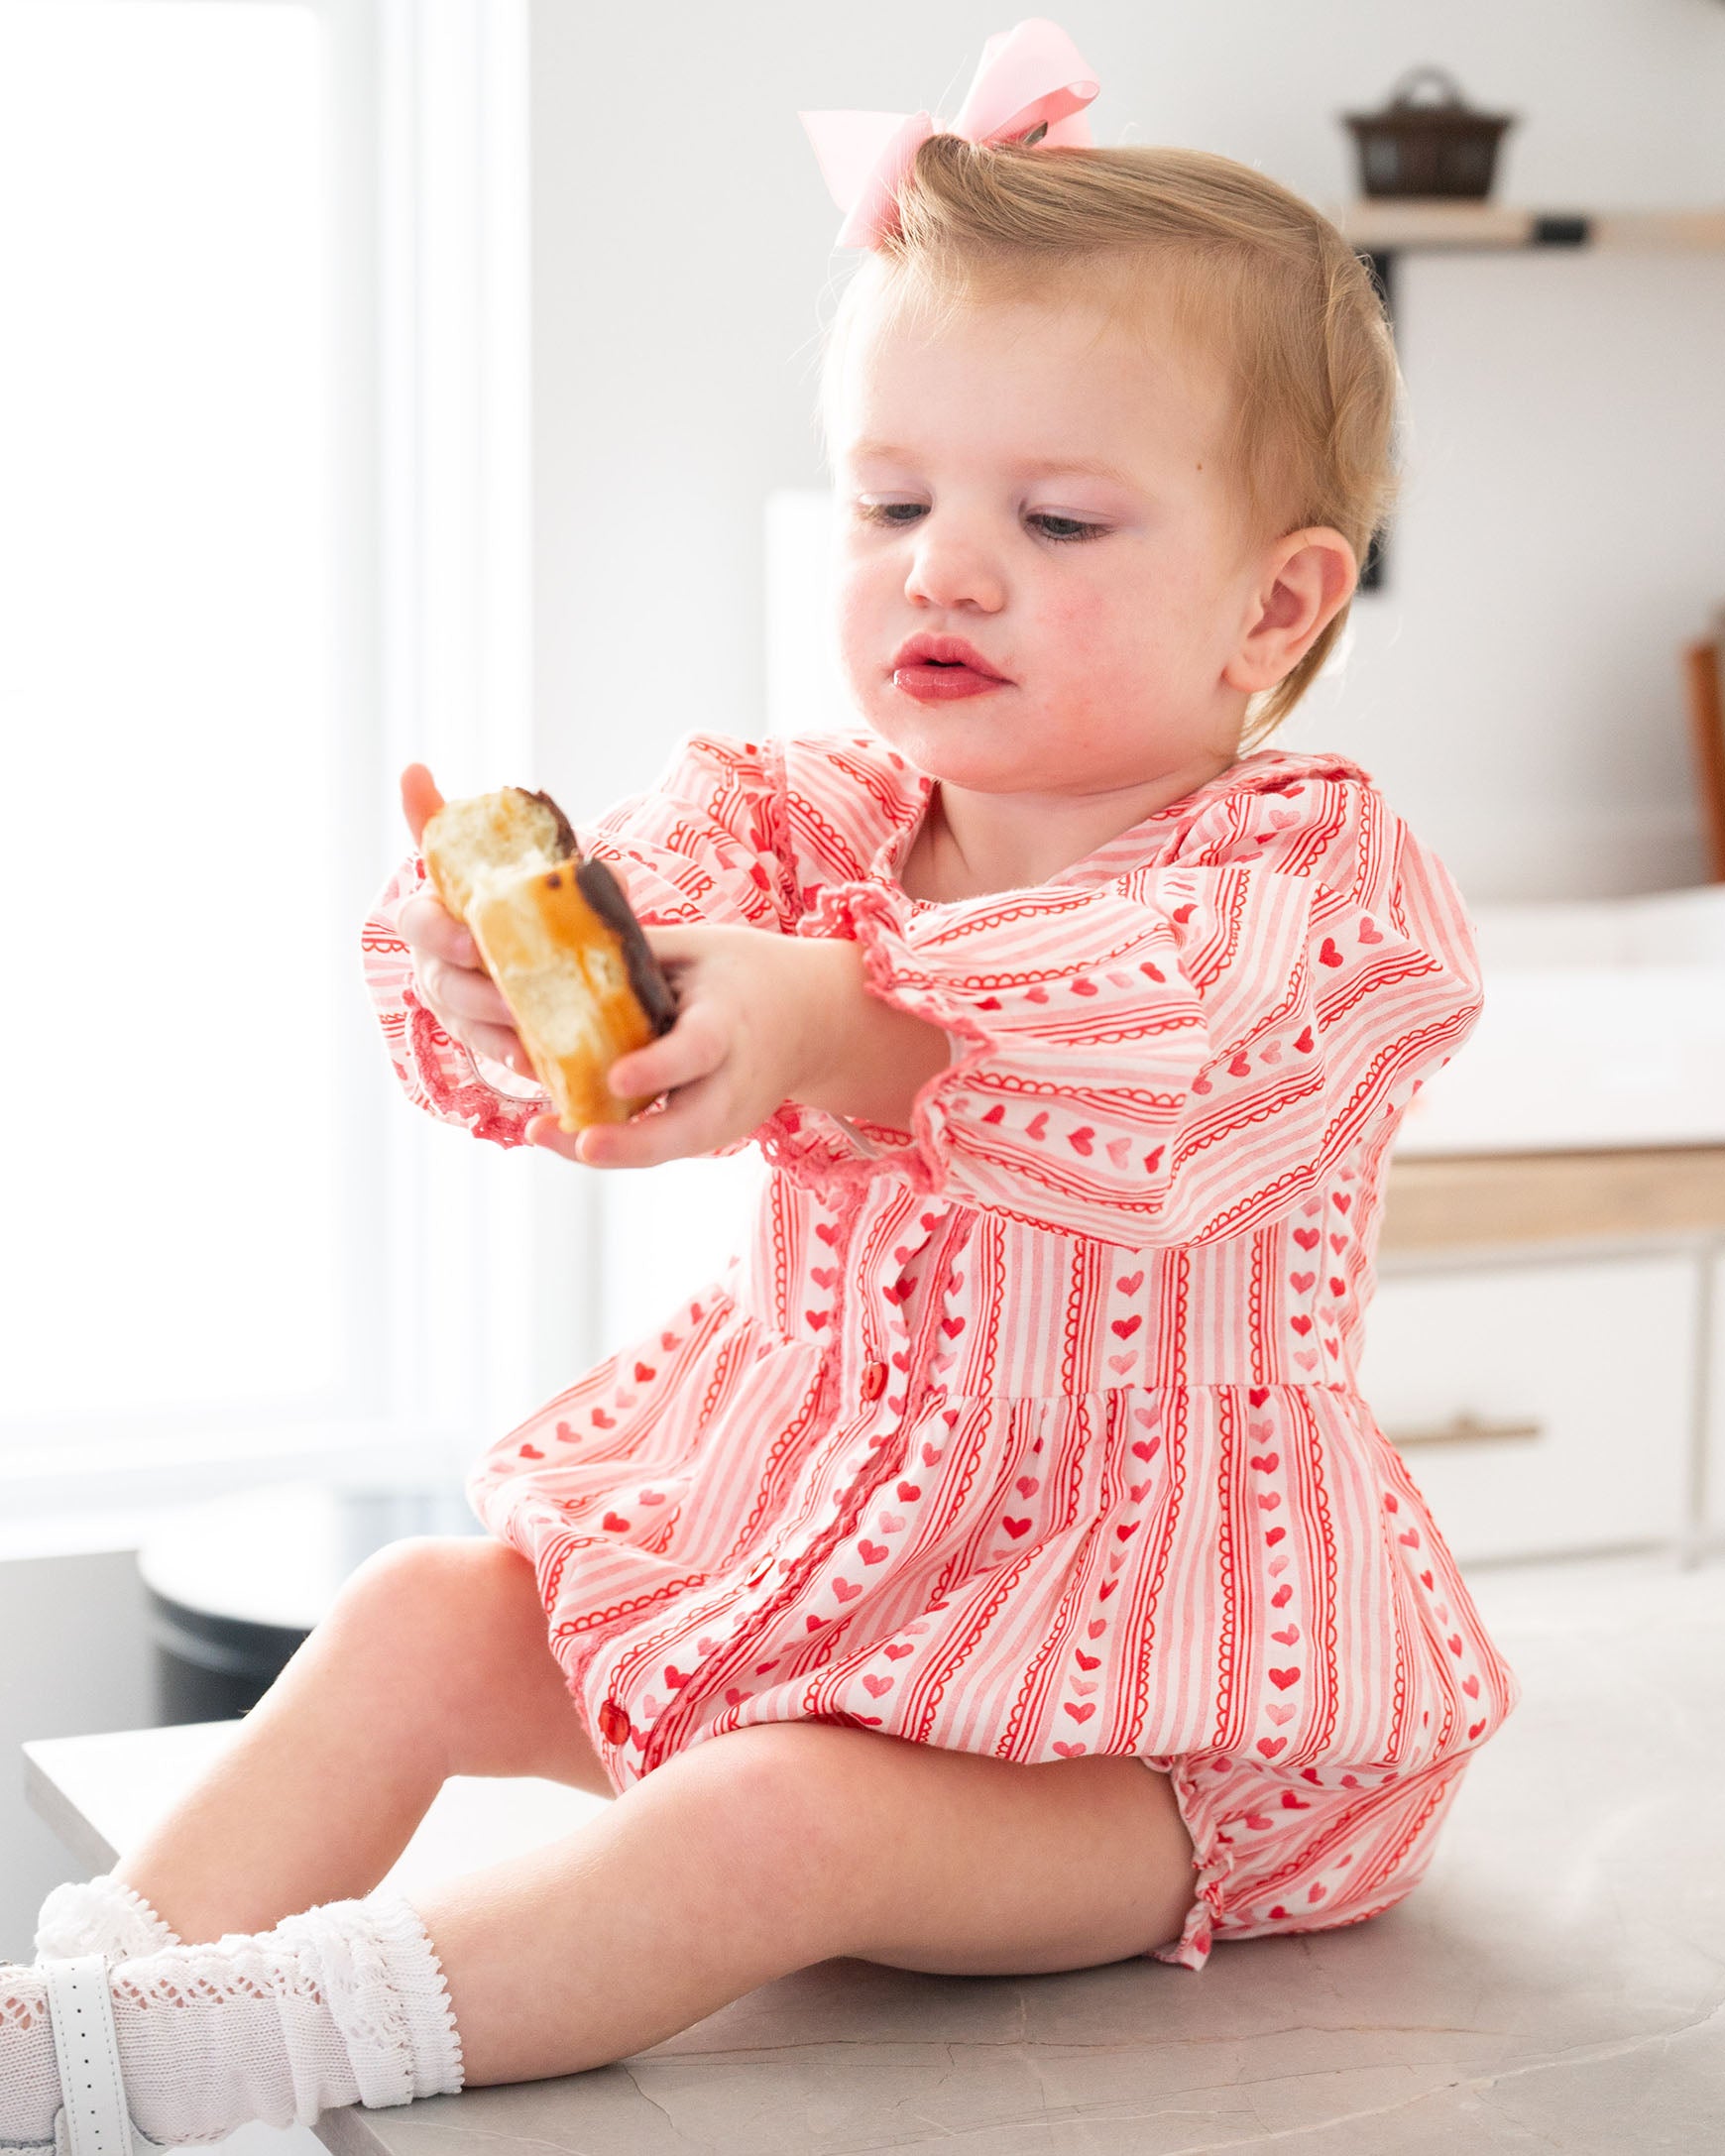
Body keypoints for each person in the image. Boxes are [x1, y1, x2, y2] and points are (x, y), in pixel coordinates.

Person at [9, 20, 1521, 2147]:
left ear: (1275, 606)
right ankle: (86, 1993)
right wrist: (519, 973)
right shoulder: (804, 818)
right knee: (426, 1607)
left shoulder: (1312, 877)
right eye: (893, 499)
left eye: (1056, 517)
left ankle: (213, 2050)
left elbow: (1162, 1046)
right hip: (811, 1593)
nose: (944, 565)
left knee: (772, 1819)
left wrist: (837, 1021)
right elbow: (646, 949)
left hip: (1151, 1743)